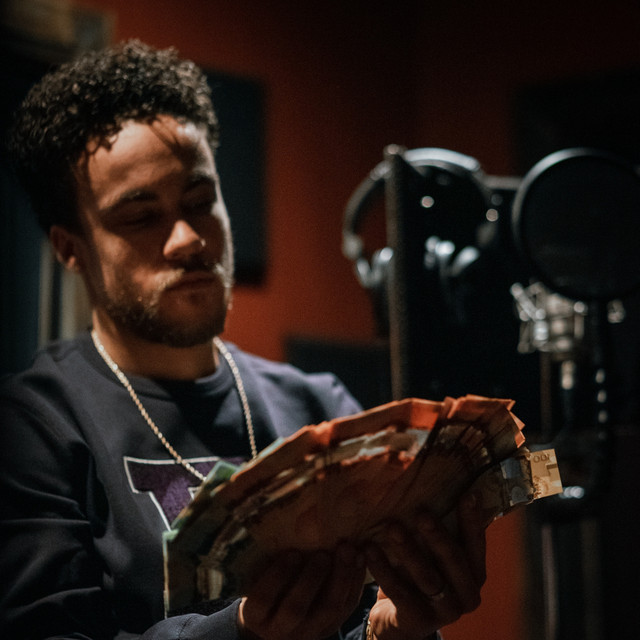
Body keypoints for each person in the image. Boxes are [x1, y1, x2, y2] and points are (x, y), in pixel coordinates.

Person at [0, 40, 486, 640]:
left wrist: (397, 629)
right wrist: (241, 632)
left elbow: (364, 625)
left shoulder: (319, 406)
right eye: (141, 217)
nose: (188, 238)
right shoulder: (33, 427)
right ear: (70, 248)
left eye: (200, 201)